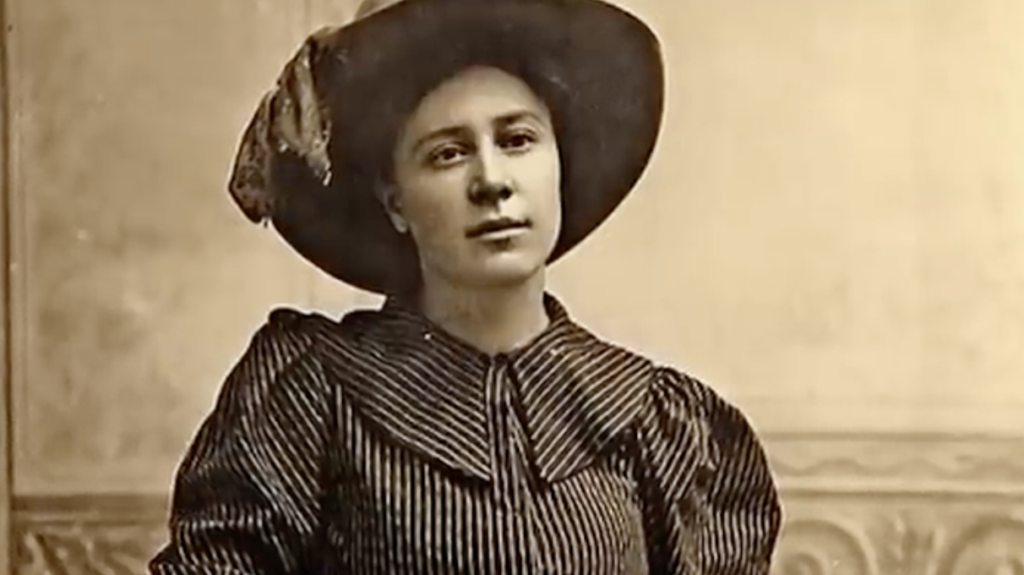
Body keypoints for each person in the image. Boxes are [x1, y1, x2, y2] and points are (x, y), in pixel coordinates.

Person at [149, 0, 783, 572]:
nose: (492, 181)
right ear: (395, 201)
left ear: (559, 165)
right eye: (448, 153)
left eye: (517, 141)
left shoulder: (659, 421)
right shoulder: (314, 393)